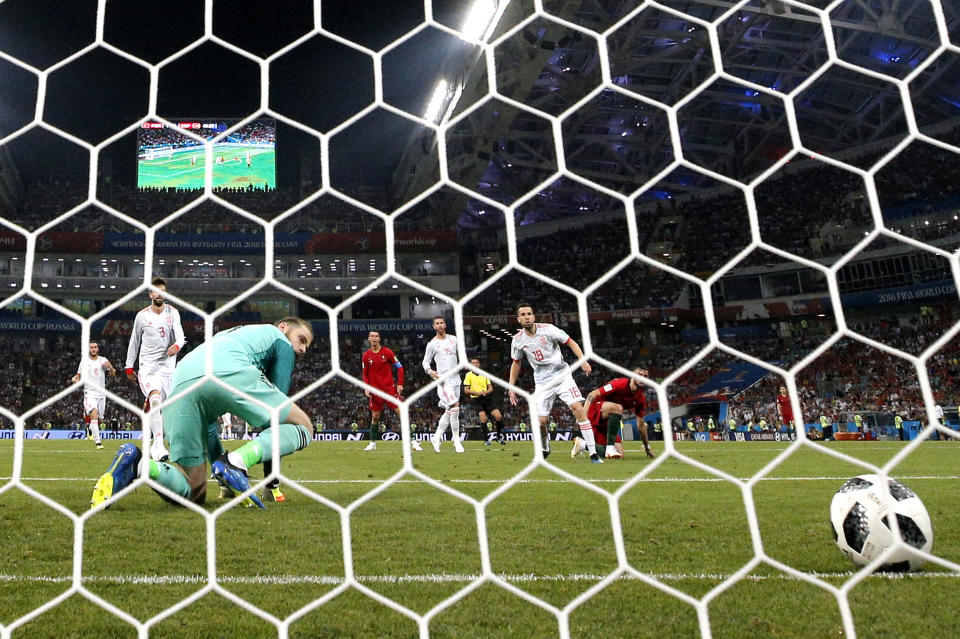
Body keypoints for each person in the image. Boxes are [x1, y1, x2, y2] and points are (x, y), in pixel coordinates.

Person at [91, 318, 315, 509]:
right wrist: (270, 483)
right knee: (304, 427)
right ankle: (238, 462)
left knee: (193, 493)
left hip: (182, 380)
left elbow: (209, 432)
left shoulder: (235, 335)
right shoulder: (278, 338)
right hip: (227, 368)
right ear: (284, 326)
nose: (303, 349)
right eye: (302, 339)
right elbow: (276, 415)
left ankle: (139, 464)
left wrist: (225, 478)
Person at [507, 303, 600, 463]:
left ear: (534, 317)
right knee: (541, 422)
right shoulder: (517, 340)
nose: (527, 317)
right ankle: (545, 447)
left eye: (529, 313)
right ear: (518, 319)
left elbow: (570, 341)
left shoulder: (549, 329)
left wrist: (583, 360)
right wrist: (511, 387)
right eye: (523, 315)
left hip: (562, 376)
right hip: (543, 383)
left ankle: (593, 453)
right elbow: (516, 363)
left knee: (578, 408)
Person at [125, 277, 185, 463]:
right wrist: (129, 366)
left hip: (167, 368)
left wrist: (177, 345)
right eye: (156, 291)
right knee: (156, 399)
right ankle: (159, 444)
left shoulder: (172, 313)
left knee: (162, 408)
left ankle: (154, 444)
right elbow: (134, 341)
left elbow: (181, 335)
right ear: (150, 294)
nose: (159, 294)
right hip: (148, 368)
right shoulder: (142, 316)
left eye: (162, 291)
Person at [361, 331, 421, 451]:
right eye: (372, 336)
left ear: (379, 339)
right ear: (368, 338)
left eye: (376, 336)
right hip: (375, 391)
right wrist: (366, 387)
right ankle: (373, 443)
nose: (374, 338)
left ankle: (413, 441)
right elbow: (365, 373)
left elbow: (399, 367)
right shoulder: (366, 356)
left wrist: (400, 384)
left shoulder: (387, 352)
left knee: (400, 412)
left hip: (389, 389)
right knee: (375, 416)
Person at [578, 367, 654, 460]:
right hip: (595, 412)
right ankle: (610, 448)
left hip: (607, 422)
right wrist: (583, 415)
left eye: (645, 376)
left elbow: (641, 425)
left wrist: (647, 447)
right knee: (618, 408)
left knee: (619, 455)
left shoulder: (640, 398)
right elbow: (593, 394)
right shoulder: (620, 384)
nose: (642, 378)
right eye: (639, 375)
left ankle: (582, 444)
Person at [422, 317, 463, 453]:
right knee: (455, 406)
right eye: (437, 324)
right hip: (443, 380)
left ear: (445, 325)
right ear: (434, 327)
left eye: (441, 323)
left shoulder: (453, 339)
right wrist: (430, 371)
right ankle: (456, 441)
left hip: (456, 379)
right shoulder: (432, 344)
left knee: (449, 410)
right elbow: (425, 362)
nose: (439, 325)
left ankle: (436, 437)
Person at [71, 341, 116, 450]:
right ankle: (98, 442)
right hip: (90, 393)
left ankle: (91, 426)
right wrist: (75, 380)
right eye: (91, 347)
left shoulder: (103, 360)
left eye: (95, 347)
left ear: (98, 349)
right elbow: (78, 376)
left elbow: (113, 374)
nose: (93, 349)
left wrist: (110, 368)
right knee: (94, 413)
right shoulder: (84, 362)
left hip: (102, 394)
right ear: (89, 349)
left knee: (99, 420)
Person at [464, 357, 505, 446]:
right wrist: (478, 393)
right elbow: (466, 390)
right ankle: (486, 440)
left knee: (498, 416)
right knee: (484, 418)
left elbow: (491, 388)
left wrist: (485, 392)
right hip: (476, 399)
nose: (475, 364)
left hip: (486, 398)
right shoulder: (468, 375)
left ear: (479, 364)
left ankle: (498, 437)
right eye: (473, 363)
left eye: (476, 363)